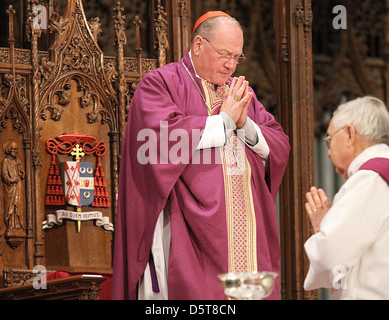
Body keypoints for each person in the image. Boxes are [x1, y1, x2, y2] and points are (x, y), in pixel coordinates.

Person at [111, 11, 290, 300]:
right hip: (187, 231)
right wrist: (225, 121)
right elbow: (155, 142)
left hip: (245, 235)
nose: (231, 65)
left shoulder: (241, 92)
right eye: (224, 55)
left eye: (237, 57)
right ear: (198, 45)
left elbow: (279, 144)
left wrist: (245, 124)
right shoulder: (161, 83)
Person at [303, 96, 389, 299]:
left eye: (329, 140)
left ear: (349, 133)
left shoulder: (368, 180)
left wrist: (322, 228)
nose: (327, 153)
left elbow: (331, 256)